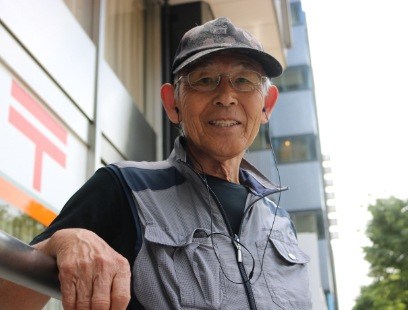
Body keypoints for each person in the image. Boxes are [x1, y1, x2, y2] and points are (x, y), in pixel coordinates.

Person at [0, 17, 312, 309]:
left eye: (244, 79)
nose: (226, 96)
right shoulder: (124, 188)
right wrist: (58, 242)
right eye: (204, 79)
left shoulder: (280, 223)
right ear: (172, 103)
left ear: (267, 105)